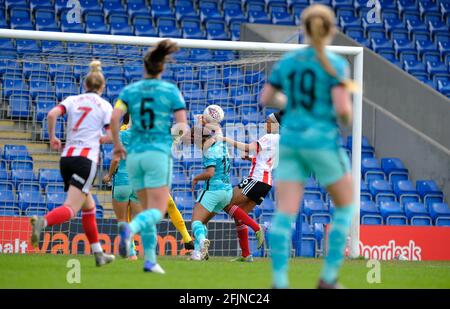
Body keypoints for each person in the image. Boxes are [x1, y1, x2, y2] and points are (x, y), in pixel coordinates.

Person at [260, 4, 355, 289]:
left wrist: (294, 104)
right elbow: (344, 114)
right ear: (331, 29)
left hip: (291, 142)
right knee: (346, 206)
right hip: (322, 141)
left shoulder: (289, 62)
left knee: (285, 212)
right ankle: (328, 278)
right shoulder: (336, 64)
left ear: (303, 28)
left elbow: (266, 96)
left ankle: (279, 281)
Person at [110, 39, 189, 274]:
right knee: (156, 209)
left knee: (146, 208)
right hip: (157, 154)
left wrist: (116, 145)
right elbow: (182, 126)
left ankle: (150, 261)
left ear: (144, 68)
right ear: (162, 68)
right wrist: (172, 140)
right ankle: (130, 229)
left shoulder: (130, 91)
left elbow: (115, 119)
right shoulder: (170, 90)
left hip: (134, 156)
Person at [30, 60, 115, 267]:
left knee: (89, 206)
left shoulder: (73, 99)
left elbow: (52, 114)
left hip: (66, 158)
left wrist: (52, 137)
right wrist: (104, 138)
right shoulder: (104, 105)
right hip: (85, 160)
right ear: (102, 87)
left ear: (85, 85)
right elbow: (111, 135)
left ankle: (99, 255)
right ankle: (44, 222)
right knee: (71, 208)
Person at [103, 120, 194, 258]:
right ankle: (146, 250)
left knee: (125, 217)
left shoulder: (125, 133)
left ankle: (131, 251)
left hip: (127, 179)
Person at [218, 112, 281, 262]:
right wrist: (251, 158)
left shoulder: (270, 137)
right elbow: (266, 159)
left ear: (275, 124)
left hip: (257, 179)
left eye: (268, 121)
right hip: (265, 183)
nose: (265, 124)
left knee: (225, 201)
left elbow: (249, 147)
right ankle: (246, 255)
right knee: (240, 218)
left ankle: (257, 227)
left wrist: (226, 139)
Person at [189, 122, 233, 261]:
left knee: (196, 222)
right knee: (202, 222)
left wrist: (196, 178)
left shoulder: (209, 151)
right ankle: (197, 254)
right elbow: (218, 130)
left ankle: (202, 241)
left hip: (213, 190)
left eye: (192, 139)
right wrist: (206, 122)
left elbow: (210, 173)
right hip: (227, 192)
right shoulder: (221, 145)